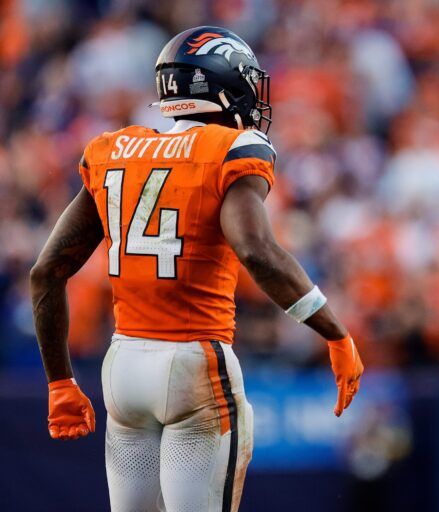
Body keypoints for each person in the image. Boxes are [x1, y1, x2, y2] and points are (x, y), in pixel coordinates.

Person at [29, 26, 364, 512]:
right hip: (195, 364)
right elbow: (256, 251)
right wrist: (335, 332)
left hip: (123, 369)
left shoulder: (111, 149)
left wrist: (60, 381)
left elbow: (46, 271)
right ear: (222, 84)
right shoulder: (232, 148)